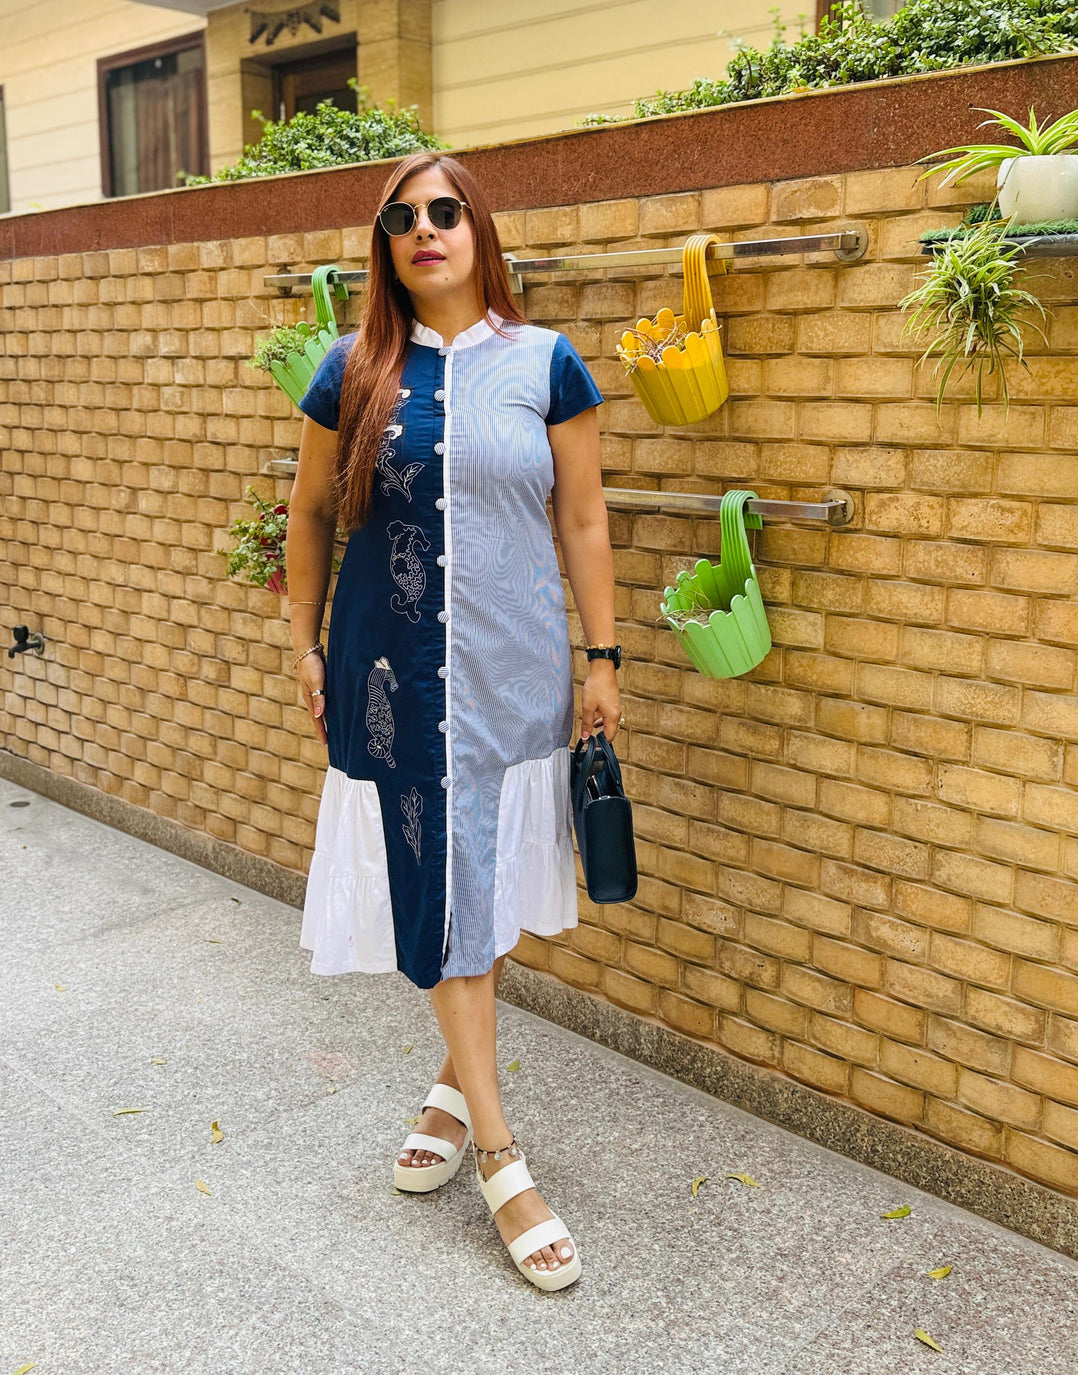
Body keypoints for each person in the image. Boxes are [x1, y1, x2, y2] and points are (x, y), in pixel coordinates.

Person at [284, 150, 621, 1292]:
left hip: (517, 673)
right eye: (399, 217)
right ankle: (498, 1152)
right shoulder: (351, 370)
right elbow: (310, 519)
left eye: (443, 211)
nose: (423, 229)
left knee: (481, 881)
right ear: (382, 244)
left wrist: (603, 656)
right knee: (438, 886)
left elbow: (581, 520)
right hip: (391, 675)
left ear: (479, 229)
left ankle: (444, 1080)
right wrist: (304, 642)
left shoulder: (544, 364)